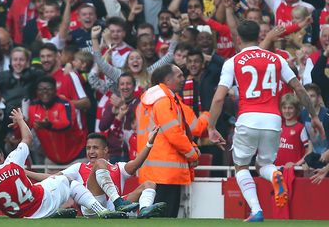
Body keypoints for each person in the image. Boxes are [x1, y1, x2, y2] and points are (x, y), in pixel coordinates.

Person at [207, 20, 326, 222]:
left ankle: (256, 210)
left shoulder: (233, 62)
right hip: (273, 120)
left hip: (247, 118)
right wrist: (314, 116)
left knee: (242, 167)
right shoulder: (276, 59)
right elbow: (299, 88)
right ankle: (275, 176)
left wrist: (211, 127)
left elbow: (219, 98)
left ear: (238, 39)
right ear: (259, 37)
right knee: (265, 165)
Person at [28, 128, 166, 218]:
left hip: (112, 209)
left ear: (106, 150)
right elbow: (52, 178)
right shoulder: (79, 167)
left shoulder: (118, 167)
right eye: (88, 148)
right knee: (100, 163)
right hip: (92, 209)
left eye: (95, 148)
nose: (91, 152)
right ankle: (119, 202)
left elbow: (136, 164)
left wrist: (149, 143)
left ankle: (144, 210)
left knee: (149, 183)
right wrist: (24, 172)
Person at [136, 64, 209, 217]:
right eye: (180, 75)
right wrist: (193, 155)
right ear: (168, 79)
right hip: (166, 173)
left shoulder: (149, 100)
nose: (184, 79)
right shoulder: (164, 101)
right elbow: (174, 134)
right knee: (166, 218)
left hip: (153, 171)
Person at [274, 93, 310, 167]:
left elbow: (308, 151)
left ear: (296, 109)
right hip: (277, 170)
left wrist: (297, 164)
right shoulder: (278, 126)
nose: (287, 111)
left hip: (295, 171)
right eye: (284, 108)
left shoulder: (300, 128)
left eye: (290, 108)